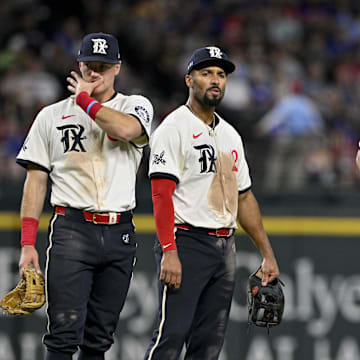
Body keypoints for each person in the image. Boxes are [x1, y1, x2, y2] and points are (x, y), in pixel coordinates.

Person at [16, 32, 153, 360]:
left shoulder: (135, 105)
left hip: (119, 232)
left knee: (99, 338)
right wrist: (26, 243)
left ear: (117, 68)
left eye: (103, 66)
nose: (95, 73)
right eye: (90, 65)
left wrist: (84, 102)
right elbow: (35, 181)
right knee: (63, 333)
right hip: (72, 230)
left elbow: (125, 130)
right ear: (78, 65)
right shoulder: (51, 116)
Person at [144, 46, 280, 360]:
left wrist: (267, 254)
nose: (215, 80)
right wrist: (169, 250)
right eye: (206, 73)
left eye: (220, 74)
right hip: (185, 242)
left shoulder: (231, 135)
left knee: (208, 345)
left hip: (224, 248)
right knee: (170, 337)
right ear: (189, 80)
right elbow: (161, 195)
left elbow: (244, 198)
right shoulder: (172, 129)